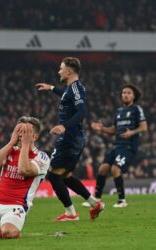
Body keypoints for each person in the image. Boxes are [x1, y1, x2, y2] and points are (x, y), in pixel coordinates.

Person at [36, 57, 104, 221]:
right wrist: (51, 88)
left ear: (68, 71)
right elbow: (66, 95)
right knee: (64, 175)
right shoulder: (73, 88)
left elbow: (81, 112)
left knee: (53, 175)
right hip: (74, 138)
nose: (59, 71)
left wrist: (64, 126)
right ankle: (94, 203)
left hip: (70, 138)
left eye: (61, 68)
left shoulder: (75, 89)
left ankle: (71, 214)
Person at [82, 84, 147, 208]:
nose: (125, 95)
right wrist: (102, 128)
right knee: (102, 169)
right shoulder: (118, 111)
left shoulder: (136, 109)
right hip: (117, 146)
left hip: (129, 147)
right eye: (124, 93)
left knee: (115, 169)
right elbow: (114, 129)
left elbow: (144, 127)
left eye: (128, 93)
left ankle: (122, 201)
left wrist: (131, 133)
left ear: (133, 96)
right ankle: (96, 200)